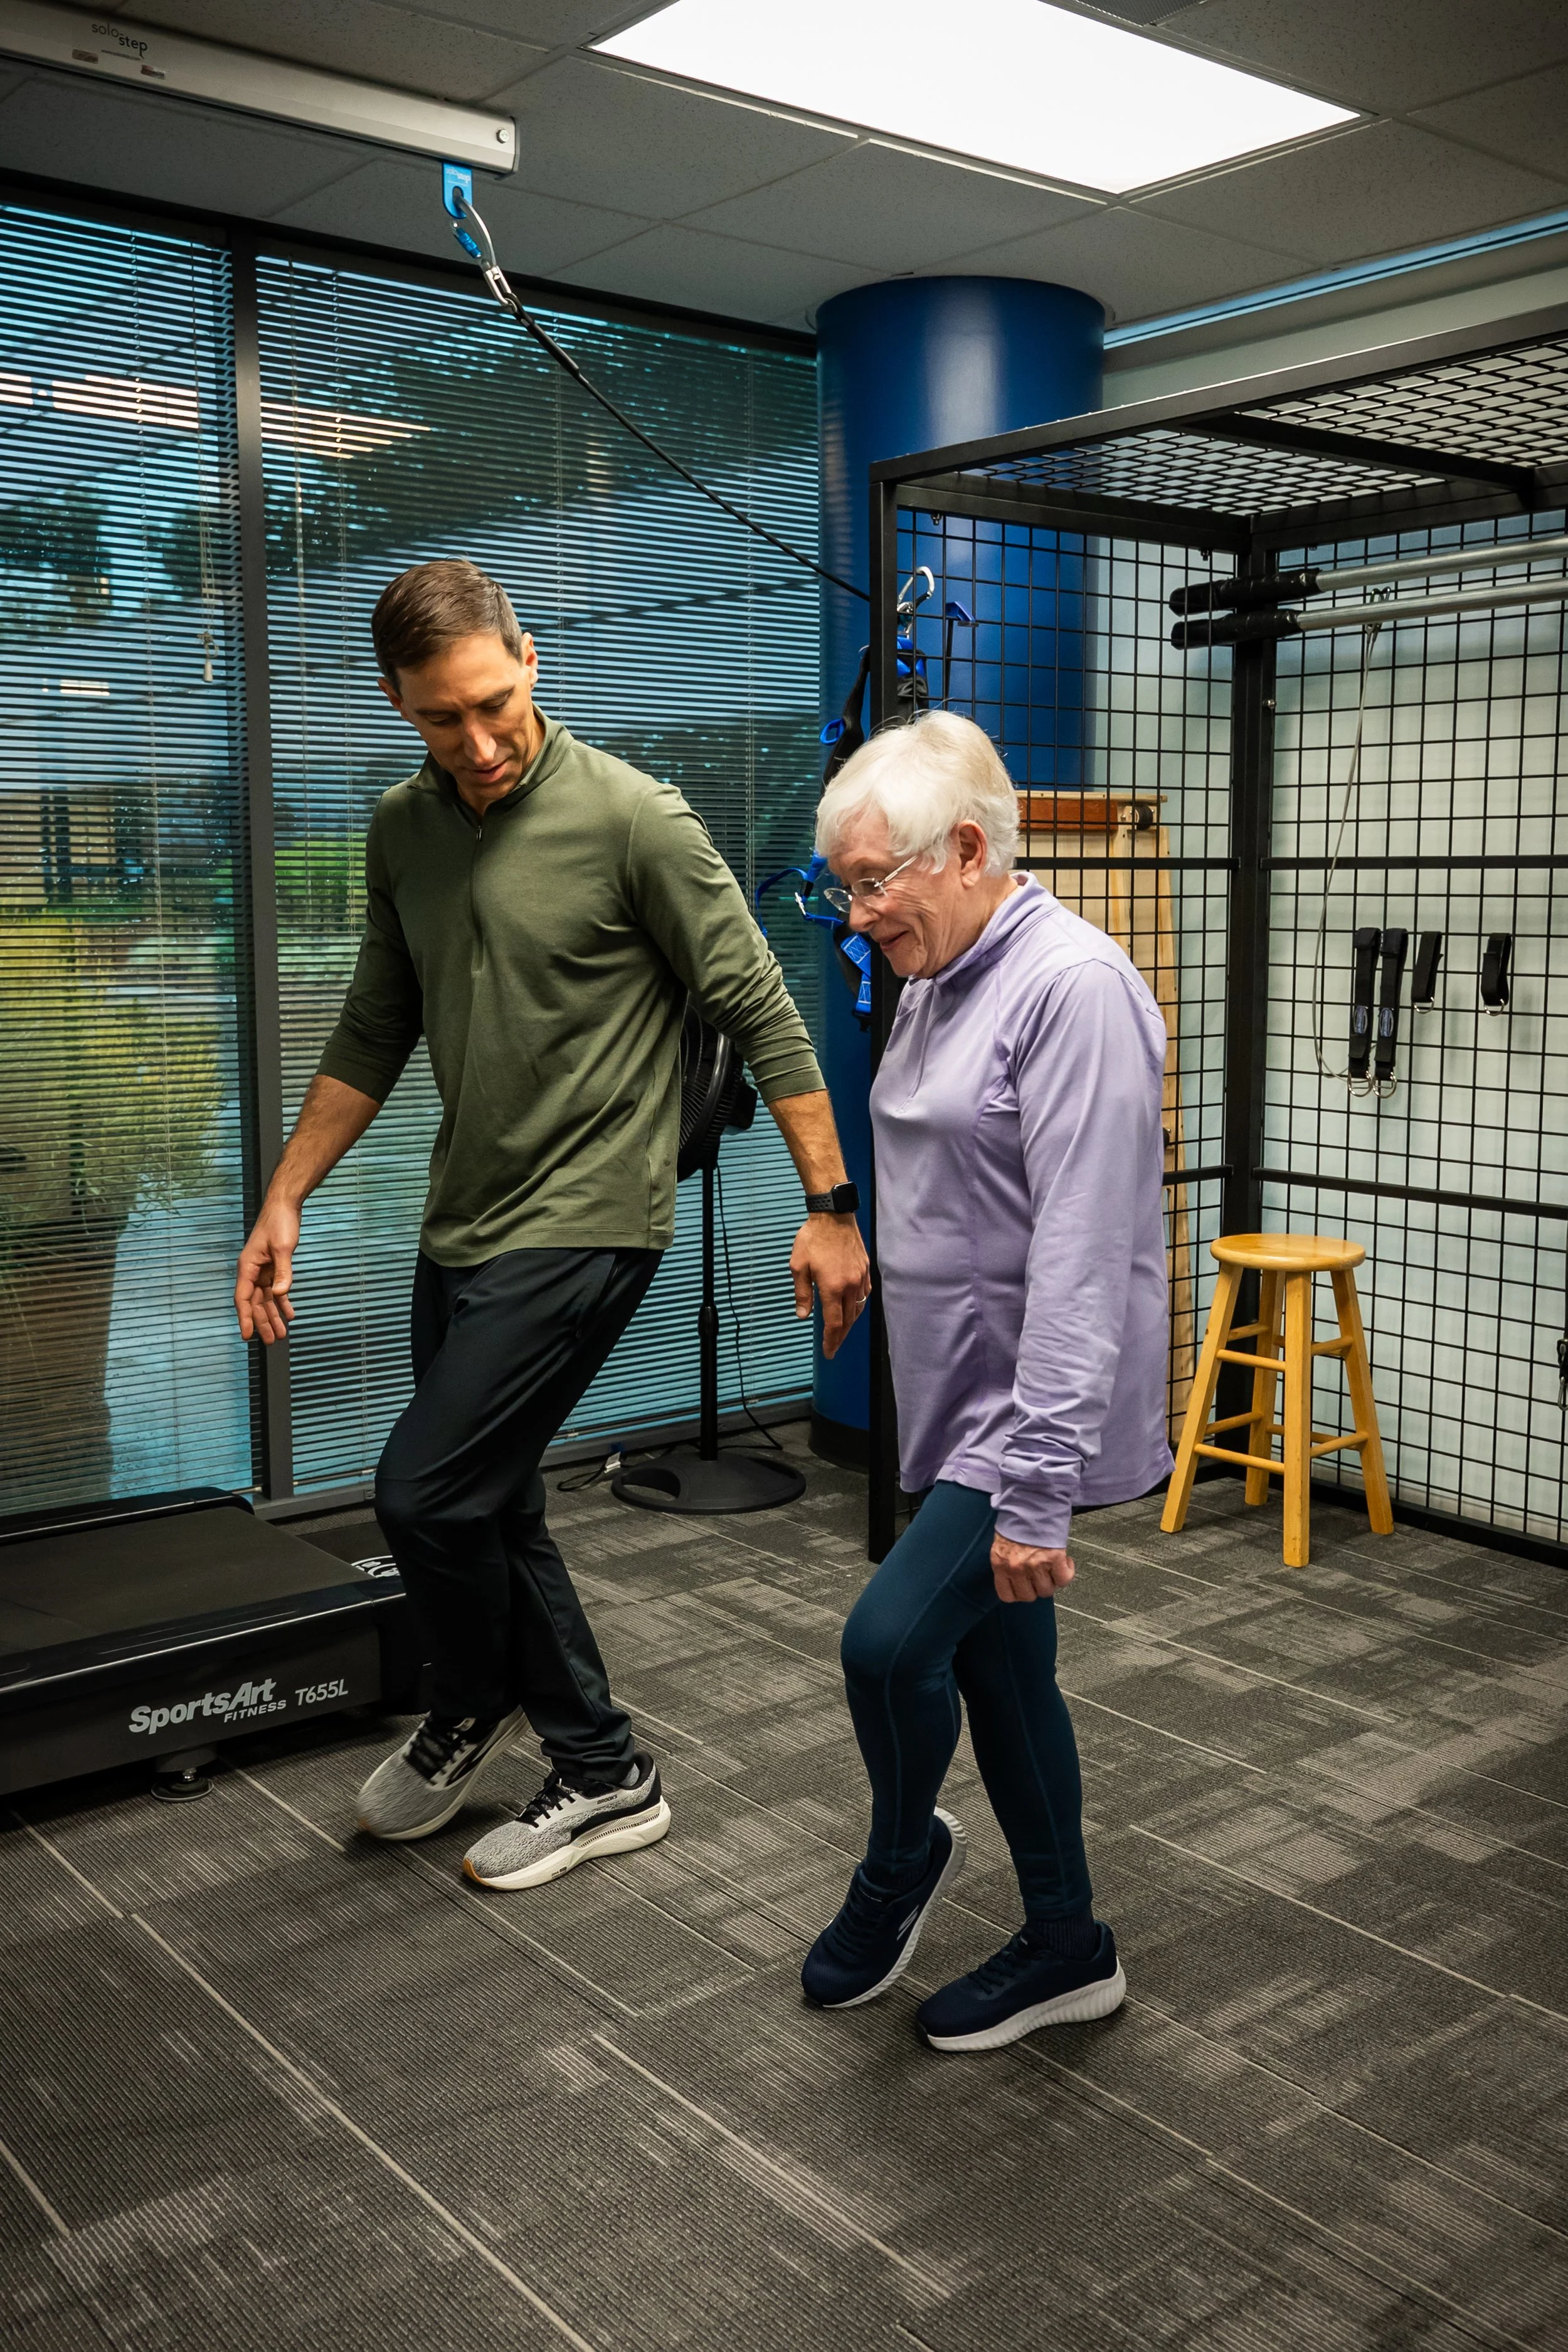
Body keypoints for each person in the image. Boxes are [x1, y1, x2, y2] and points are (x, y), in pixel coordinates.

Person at [234, 559, 868, 1890]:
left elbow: (760, 1007)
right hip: (462, 1216)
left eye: (487, 706)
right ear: (397, 707)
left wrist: (828, 1209)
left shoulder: (634, 818)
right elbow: (374, 1025)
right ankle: (566, 1750)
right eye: (435, 720)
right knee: (493, 1498)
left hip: (593, 1217)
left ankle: (578, 1753)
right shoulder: (401, 831)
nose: (472, 744)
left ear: (531, 661)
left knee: (422, 1490)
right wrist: (286, 1193)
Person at [800, 711, 1173, 2052]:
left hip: (1027, 1412)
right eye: (841, 886)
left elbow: (1083, 1253)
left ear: (964, 849)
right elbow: (943, 1178)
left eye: (870, 882)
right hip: (956, 1391)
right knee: (1004, 1678)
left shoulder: (1070, 989)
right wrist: (841, 1228)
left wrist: (1034, 1491)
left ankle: (901, 1860)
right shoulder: (938, 970)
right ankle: (1069, 1944)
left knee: (888, 1643)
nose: (854, 917)